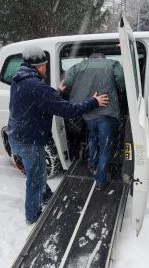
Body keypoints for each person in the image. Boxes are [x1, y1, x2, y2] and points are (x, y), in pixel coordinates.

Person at [8, 45, 109, 224]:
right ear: (40, 66)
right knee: (35, 179)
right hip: (30, 142)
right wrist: (93, 101)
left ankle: (46, 196)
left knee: (37, 173)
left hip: (16, 136)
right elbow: (68, 110)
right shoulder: (37, 86)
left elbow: (40, 100)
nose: (46, 68)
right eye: (46, 65)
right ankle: (33, 216)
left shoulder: (19, 79)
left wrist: (57, 93)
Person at [61, 53, 125, 190]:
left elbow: (67, 81)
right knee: (105, 146)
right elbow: (121, 82)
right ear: (103, 58)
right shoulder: (113, 64)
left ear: (90, 58)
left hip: (89, 111)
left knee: (92, 137)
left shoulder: (78, 66)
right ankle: (101, 180)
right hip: (107, 111)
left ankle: (92, 163)